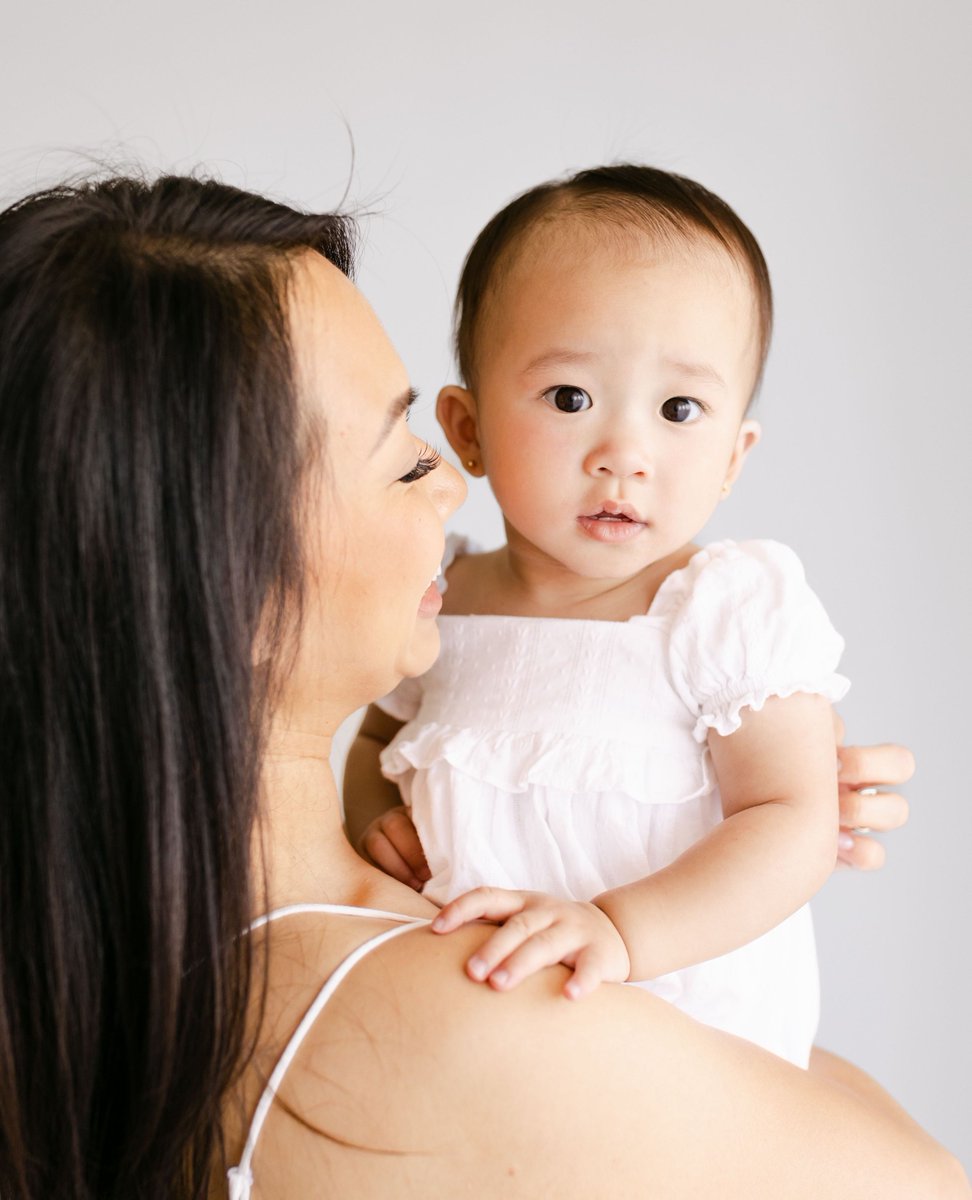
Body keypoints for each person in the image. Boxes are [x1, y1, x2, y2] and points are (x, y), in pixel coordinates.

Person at [0, 173, 964, 1200]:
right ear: (218, 562)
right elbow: (925, 1182)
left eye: (681, 408)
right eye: (408, 461)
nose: (456, 486)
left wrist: (740, 800)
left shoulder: (75, 986)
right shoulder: (470, 1022)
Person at [343, 165, 881, 1064]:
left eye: (679, 409)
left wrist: (619, 931)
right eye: (570, 398)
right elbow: (370, 745)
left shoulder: (722, 610)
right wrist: (372, 820)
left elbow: (792, 818)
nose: (624, 455)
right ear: (466, 431)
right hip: (486, 1050)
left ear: (732, 458)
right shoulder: (441, 597)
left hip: (689, 1050)